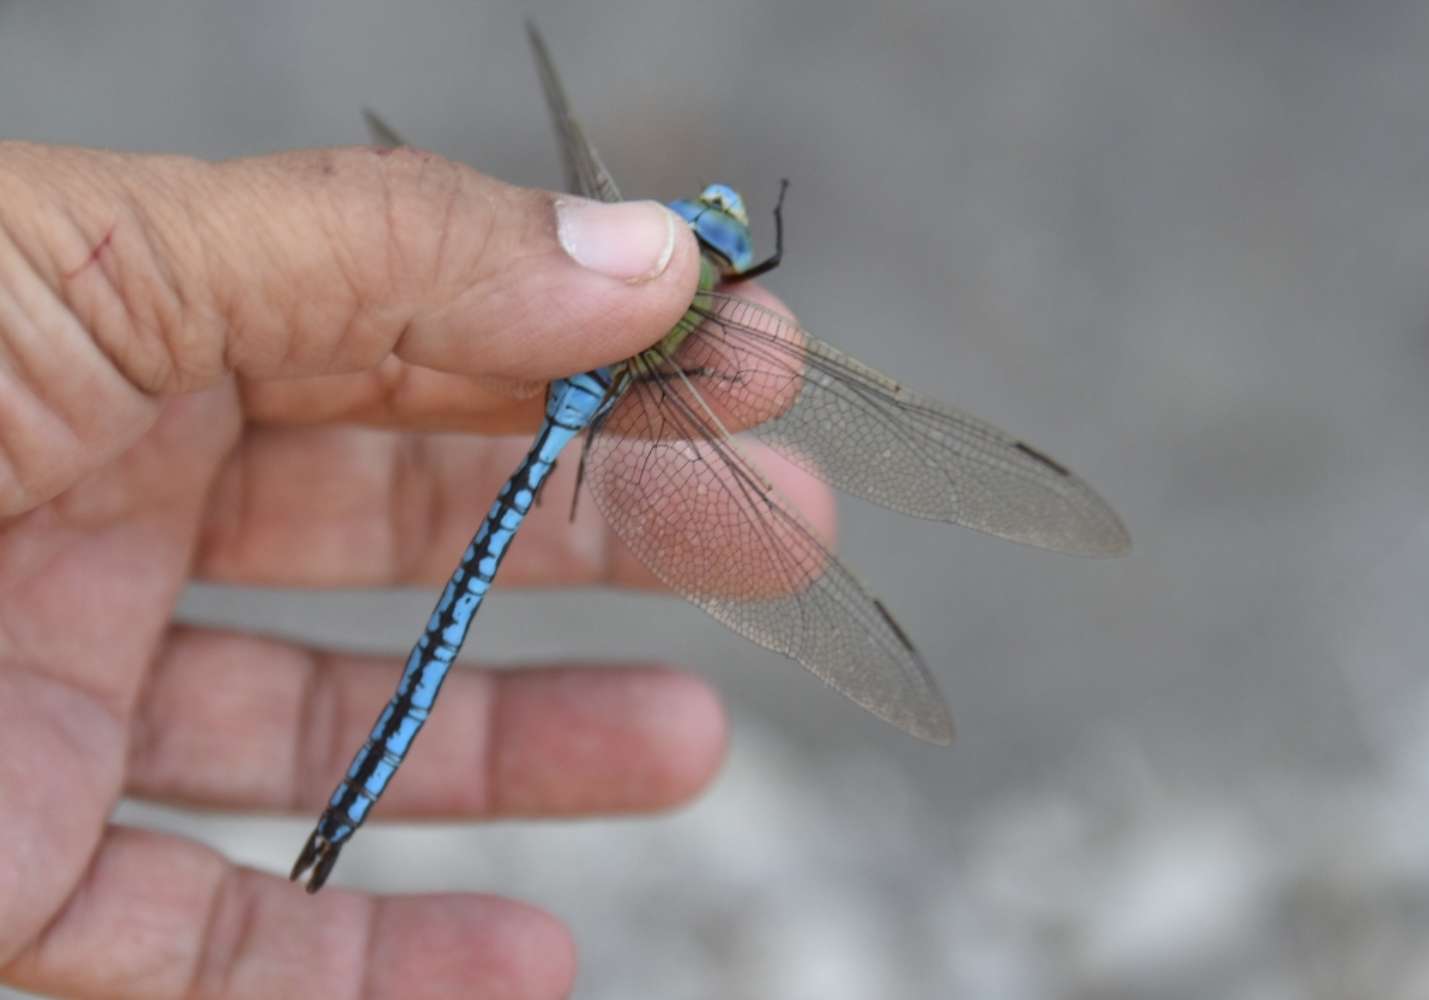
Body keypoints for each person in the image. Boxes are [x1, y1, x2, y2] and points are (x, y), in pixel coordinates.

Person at [0, 141, 832, 999]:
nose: (716, 230)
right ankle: (339, 825)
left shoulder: (646, 264)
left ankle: (335, 823)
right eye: (713, 228)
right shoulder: (682, 305)